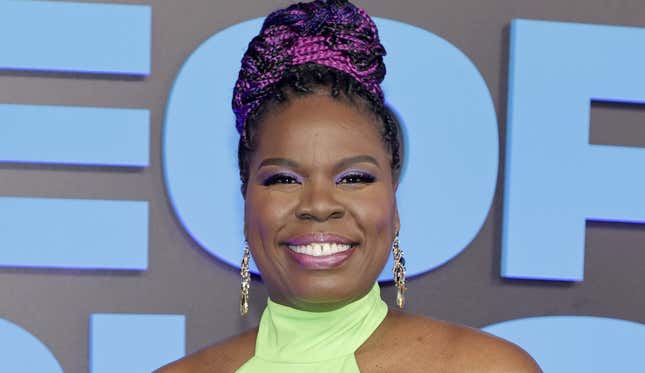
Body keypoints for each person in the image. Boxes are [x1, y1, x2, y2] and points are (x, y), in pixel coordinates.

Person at [157, 0, 542, 371]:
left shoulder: (486, 368)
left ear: (394, 207)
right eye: (284, 179)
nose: (320, 204)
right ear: (246, 206)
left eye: (354, 178)